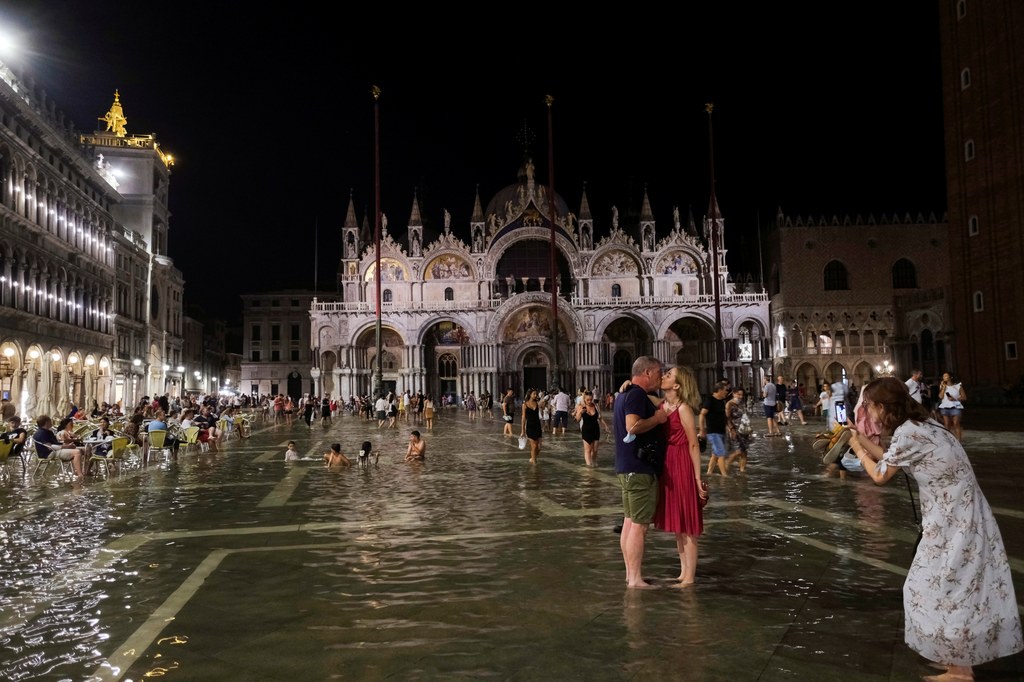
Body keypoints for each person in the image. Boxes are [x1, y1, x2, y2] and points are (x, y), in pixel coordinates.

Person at [848, 377, 1022, 680]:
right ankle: (955, 660)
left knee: (940, 587)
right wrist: (859, 438)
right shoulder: (922, 424)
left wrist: (853, 446)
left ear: (881, 407)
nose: (868, 414)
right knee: (949, 585)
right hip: (960, 516)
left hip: (955, 522)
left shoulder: (908, 434)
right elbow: (892, 459)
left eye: (868, 408)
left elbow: (880, 474)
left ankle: (959, 670)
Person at [613, 356, 669, 589]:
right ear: (647, 372)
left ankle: (630, 574)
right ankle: (635, 579)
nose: (660, 376)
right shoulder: (635, 395)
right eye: (658, 372)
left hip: (626, 467)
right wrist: (657, 419)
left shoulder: (625, 394)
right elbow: (632, 427)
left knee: (629, 522)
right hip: (639, 467)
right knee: (639, 525)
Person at [652, 365, 705, 585]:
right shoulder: (665, 405)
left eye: (668, 375)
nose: (663, 376)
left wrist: (697, 479)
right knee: (678, 525)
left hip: (683, 462)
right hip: (669, 463)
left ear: (677, 385)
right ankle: (683, 572)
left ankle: (689, 577)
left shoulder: (684, 409)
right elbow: (650, 400)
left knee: (687, 524)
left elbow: (694, 445)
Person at [34, 415, 85, 480]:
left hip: (55, 450)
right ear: (46, 422)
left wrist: (67, 446)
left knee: (85, 449)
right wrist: (66, 447)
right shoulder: (41, 433)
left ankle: (85, 470)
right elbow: (50, 447)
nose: (51, 422)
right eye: (50, 421)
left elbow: (55, 443)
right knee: (77, 452)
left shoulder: (48, 432)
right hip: (49, 453)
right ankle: (80, 475)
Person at [700, 380, 732, 476]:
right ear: (719, 390)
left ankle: (709, 472)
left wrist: (730, 427)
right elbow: (702, 414)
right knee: (721, 453)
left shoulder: (721, 401)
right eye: (725, 390)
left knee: (715, 453)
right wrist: (702, 429)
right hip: (713, 432)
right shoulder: (710, 400)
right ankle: (724, 476)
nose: (727, 392)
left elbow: (724, 416)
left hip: (721, 431)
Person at [573, 389, 608, 467]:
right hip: (586, 430)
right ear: (584, 399)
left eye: (591, 399)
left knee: (595, 450)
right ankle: (589, 467)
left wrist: (605, 426)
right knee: (588, 450)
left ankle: (594, 462)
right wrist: (580, 413)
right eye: (587, 400)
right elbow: (577, 419)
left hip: (596, 429)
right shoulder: (581, 407)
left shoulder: (596, 405)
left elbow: (600, 418)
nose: (589, 401)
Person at [725, 387, 752, 473]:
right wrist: (731, 429)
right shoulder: (729, 404)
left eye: (742, 395)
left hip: (744, 429)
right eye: (738, 394)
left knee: (744, 451)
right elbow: (726, 418)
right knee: (739, 450)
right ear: (733, 394)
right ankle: (726, 464)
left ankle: (742, 471)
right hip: (735, 430)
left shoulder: (742, 403)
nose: (740, 396)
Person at [937, 371, 966, 441]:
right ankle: (948, 440)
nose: (944, 377)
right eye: (943, 376)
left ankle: (959, 441)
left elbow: (964, 397)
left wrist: (955, 398)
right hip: (945, 407)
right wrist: (943, 387)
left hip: (956, 407)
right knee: (947, 424)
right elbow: (940, 397)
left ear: (951, 377)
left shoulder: (958, 386)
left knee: (956, 423)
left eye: (946, 376)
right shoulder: (942, 386)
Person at [520, 389, 543, 464]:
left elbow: (544, 405)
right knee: (534, 445)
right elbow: (523, 418)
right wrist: (523, 431)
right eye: (534, 394)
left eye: (536, 394)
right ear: (530, 394)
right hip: (530, 426)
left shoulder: (537, 403)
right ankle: (534, 464)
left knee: (539, 447)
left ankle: (532, 458)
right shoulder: (525, 405)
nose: (536, 395)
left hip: (537, 426)